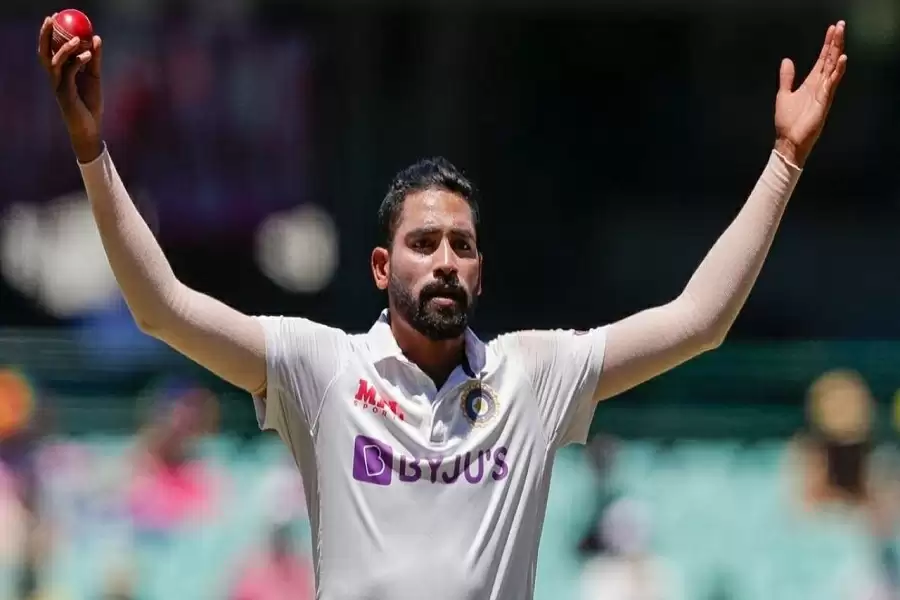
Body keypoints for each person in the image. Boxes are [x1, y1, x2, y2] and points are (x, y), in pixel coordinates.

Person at [37, 15, 848, 600]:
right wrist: (91, 149)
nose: (446, 261)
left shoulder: (533, 377)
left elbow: (699, 320)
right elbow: (162, 309)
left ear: (481, 275)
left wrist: (785, 159)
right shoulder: (321, 370)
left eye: (462, 246)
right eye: (424, 243)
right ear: (381, 266)